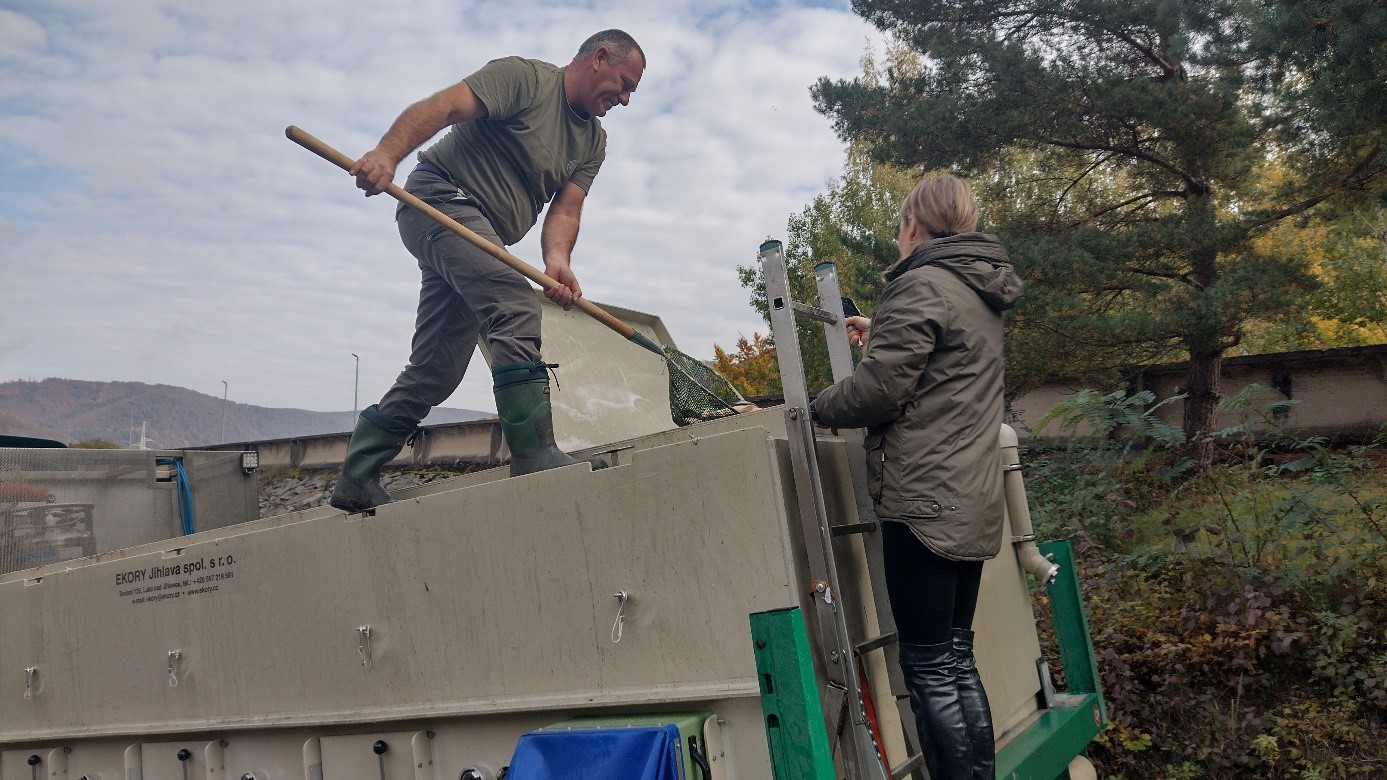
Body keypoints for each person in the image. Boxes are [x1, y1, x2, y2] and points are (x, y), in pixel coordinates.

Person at [330, 30, 646, 513]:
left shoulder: (593, 142)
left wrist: (557, 261)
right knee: (515, 305)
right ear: (600, 58)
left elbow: (566, 210)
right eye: (623, 85)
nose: (623, 100)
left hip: (482, 241)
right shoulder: (523, 80)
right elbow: (444, 107)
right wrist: (387, 154)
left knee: (438, 368)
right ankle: (533, 453)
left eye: (630, 94)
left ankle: (356, 476)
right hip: (437, 201)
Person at [810, 175, 1023, 780]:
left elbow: (880, 391)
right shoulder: (976, 290)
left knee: (929, 665)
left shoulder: (920, 282)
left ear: (912, 227)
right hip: (971, 497)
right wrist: (883, 333)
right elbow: (947, 366)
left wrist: (819, 407)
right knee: (956, 656)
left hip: (925, 500)